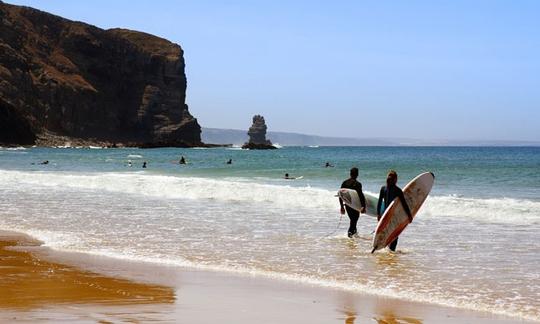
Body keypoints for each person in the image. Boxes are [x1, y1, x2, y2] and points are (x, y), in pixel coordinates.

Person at [376, 170, 413, 252]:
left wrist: (379, 214)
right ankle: (391, 253)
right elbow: (404, 204)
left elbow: (379, 203)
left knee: (385, 233)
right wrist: (409, 215)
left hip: (385, 216)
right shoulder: (397, 190)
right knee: (394, 235)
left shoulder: (383, 189)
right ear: (395, 179)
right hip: (393, 217)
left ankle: (386, 251)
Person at [339, 167, 366, 238]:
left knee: (353, 220)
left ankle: (354, 236)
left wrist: (342, 207)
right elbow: (360, 196)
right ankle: (350, 236)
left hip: (348, 205)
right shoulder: (358, 184)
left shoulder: (345, 183)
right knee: (354, 220)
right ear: (357, 174)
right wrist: (363, 206)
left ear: (350, 174)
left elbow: (340, 195)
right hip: (356, 205)